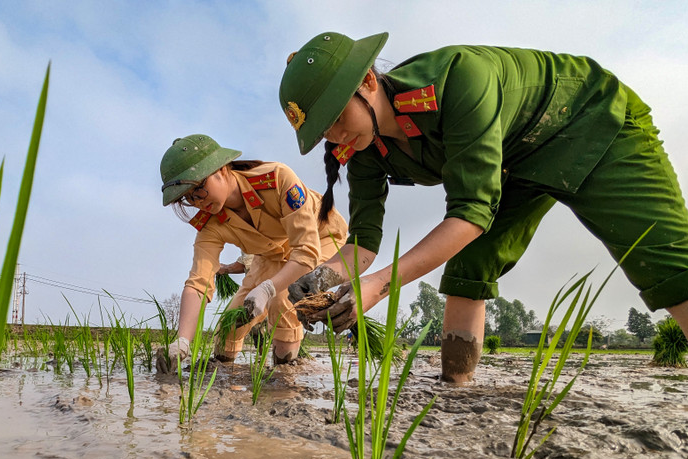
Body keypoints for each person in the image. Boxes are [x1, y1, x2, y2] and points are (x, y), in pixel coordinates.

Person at [278, 32, 688, 383]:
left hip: (587, 123)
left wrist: (378, 286)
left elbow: (470, 211)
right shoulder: (363, 150)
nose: (334, 135)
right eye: (322, 132)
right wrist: (323, 275)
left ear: (367, 80)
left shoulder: (459, 79)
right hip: (510, 167)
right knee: (466, 272)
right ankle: (455, 392)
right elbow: (364, 245)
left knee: (665, 260)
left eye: (335, 116)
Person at [155, 134, 347, 373]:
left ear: (222, 169)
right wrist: (182, 341)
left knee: (281, 299)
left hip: (321, 239)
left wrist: (267, 289)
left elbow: (306, 252)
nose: (197, 202)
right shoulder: (211, 224)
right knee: (231, 323)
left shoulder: (276, 179)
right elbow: (198, 283)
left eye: (199, 189)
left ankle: (284, 376)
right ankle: (225, 374)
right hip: (271, 253)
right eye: (188, 197)